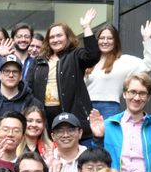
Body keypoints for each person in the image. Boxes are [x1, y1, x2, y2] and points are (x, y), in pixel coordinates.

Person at [91, 72, 151, 172]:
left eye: (142, 93)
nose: (137, 98)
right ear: (124, 93)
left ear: (148, 97)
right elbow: (97, 162)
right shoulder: (108, 125)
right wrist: (97, 138)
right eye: (132, 92)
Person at [27, 8, 100, 141]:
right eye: (52, 37)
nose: (55, 40)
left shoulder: (75, 55)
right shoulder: (39, 60)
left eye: (59, 35)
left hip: (73, 116)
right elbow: (28, 87)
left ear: (68, 37)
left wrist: (86, 27)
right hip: (45, 121)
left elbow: (93, 56)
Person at [86, 21, 151, 118]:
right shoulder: (88, 62)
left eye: (110, 38)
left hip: (109, 109)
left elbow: (150, 64)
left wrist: (147, 39)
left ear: (116, 41)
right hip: (86, 108)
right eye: (102, 38)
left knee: (109, 133)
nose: (105, 41)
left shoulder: (123, 61)